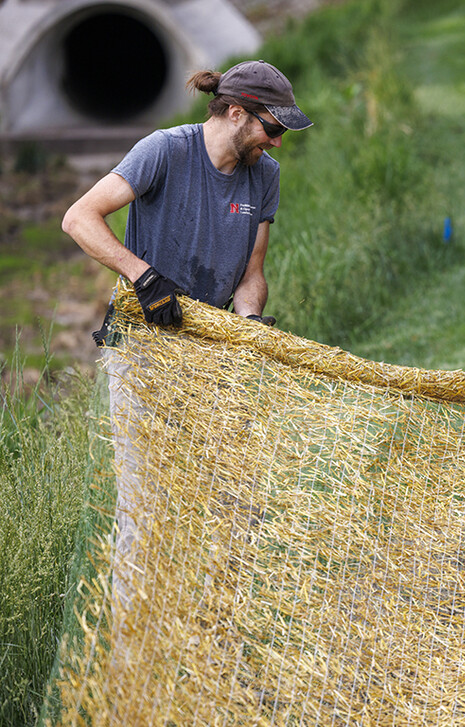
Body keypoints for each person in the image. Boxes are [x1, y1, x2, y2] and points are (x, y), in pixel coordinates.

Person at [61, 59, 312, 618]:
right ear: (238, 112)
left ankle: (209, 625)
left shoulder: (263, 175)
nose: (277, 143)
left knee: (229, 498)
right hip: (145, 348)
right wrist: (143, 276)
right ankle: (133, 633)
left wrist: (247, 327)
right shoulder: (164, 151)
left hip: (213, 353)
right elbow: (79, 219)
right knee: (146, 505)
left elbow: (251, 273)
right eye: (273, 128)